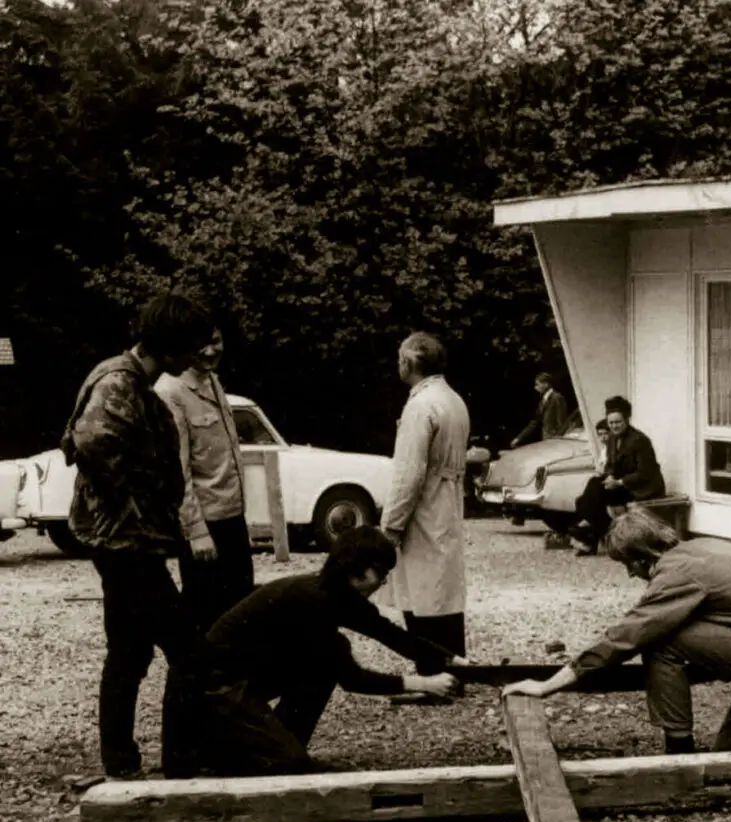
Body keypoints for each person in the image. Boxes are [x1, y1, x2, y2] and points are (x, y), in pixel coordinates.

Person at [502, 509, 731, 754]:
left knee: (664, 641)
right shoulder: (703, 547)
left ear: (644, 556)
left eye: (628, 565)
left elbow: (629, 634)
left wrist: (549, 684)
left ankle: (678, 752)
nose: (630, 574)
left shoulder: (677, 573)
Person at [61, 290, 215, 778]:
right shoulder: (119, 382)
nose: (197, 355)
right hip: (125, 544)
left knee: (129, 650)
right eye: (189, 346)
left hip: (132, 541)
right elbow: (89, 441)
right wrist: (138, 493)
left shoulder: (132, 380)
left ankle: (122, 763)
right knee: (187, 650)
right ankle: (179, 763)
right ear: (168, 348)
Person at [181, 527, 460, 776]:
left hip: (241, 682)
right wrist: (424, 684)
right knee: (291, 763)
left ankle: (280, 739)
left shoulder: (337, 593)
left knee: (322, 665)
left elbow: (393, 635)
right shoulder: (314, 602)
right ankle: (225, 753)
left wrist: (454, 660)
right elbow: (353, 679)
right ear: (357, 570)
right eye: (381, 575)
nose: (381, 583)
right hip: (214, 691)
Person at [156, 326, 254, 634]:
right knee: (205, 614)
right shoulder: (171, 391)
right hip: (205, 525)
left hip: (231, 516)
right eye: (201, 344)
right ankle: (199, 680)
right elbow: (177, 469)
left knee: (240, 607)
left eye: (216, 342)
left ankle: (233, 679)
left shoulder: (212, 381)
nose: (210, 351)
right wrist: (196, 531)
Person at [382, 332, 470, 660]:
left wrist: (391, 524)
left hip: (426, 501)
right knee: (443, 584)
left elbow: (409, 472)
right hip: (447, 497)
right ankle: (453, 663)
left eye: (400, 359)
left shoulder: (421, 405)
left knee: (422, 587)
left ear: (410, 362)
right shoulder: (452, 398)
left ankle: (433, 670)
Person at [568, 395, 666, 556]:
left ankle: (589, 535)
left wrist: (619, 482)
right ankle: (595, 534)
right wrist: (609, 477)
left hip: (643, 487)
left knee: (599, 496)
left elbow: (646, 473)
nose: (614, 426)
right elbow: (611, 465)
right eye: (611, 423)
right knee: (592, 487)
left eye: (618, 422)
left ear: (627, 420)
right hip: (621, 484)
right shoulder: (613, 439)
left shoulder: (640, 441)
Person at [510, 372, 568, 448]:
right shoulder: (542, 401)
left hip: (556, 441)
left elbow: (562, 423)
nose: (535, 388)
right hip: (547, 440)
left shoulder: (557, 398)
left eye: (537, 384)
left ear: (546, 384)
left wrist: (559, 439)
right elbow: (534, 422)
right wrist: (519, 438)